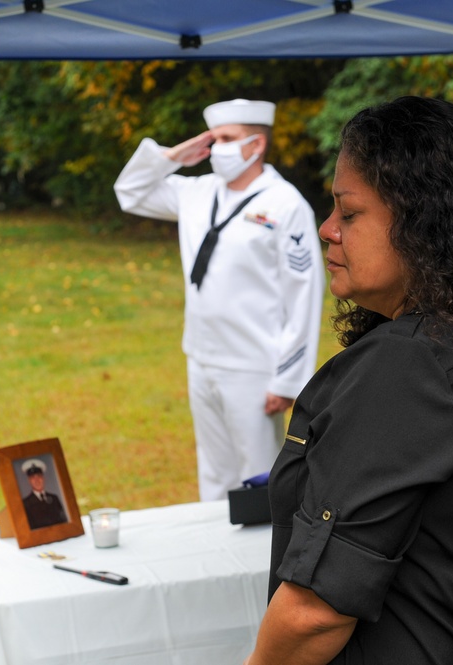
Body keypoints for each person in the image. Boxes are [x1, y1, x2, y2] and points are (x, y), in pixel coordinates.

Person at [245, 96, 453, 664]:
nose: (327, 229)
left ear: (427, 223)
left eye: (348, 214)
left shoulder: (410, 365)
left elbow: (316, 610)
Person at [114, 99, 324, 501]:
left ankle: (265, 562)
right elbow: (129, 192)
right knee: (213, 474)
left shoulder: (285, 203)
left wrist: (288, 379)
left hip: (255, 365)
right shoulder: (197, 192)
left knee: (261, 480)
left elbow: (304, 294)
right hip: (202, 356)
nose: (216, 148)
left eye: (226, 139)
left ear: (256, 145)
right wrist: (171, 157)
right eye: (213, 139)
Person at [20, 458, 68, 530]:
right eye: (33, 478)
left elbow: (63, 521)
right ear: (29, 481)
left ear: (43, 478)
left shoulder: (54, 498)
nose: (37, 480)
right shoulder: (25, 503)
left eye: (39, 476)